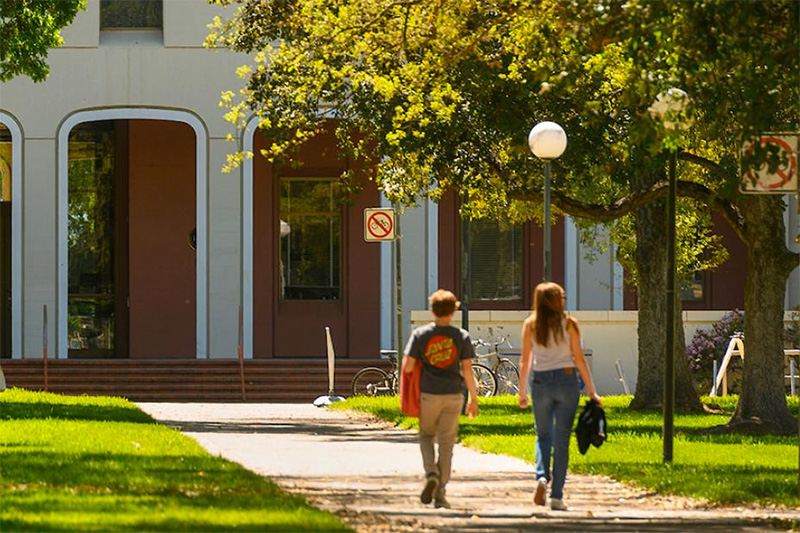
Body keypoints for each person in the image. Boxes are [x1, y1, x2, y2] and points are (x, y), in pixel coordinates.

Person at [518, 282, 602, 511]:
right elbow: (579, 358)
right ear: (556, 300)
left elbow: (525, 360)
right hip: (567, 382)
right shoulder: (570, 323)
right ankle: (557, 497)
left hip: (541, 382)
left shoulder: (531, 324)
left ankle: (542, 478)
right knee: (562, 441)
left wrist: (521, 390)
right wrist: (592, 391)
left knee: (543, 435)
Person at [401, 289, 479, 509]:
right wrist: (473, 398)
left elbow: (408, 366)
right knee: (447, 442)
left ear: (432, 310)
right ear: (453, 311)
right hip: (454, 394)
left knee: (426, 435)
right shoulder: (461, 336)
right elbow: (467, 369)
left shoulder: (421, 335)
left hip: (428, 394)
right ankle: (441, 491)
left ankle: (431, 473)